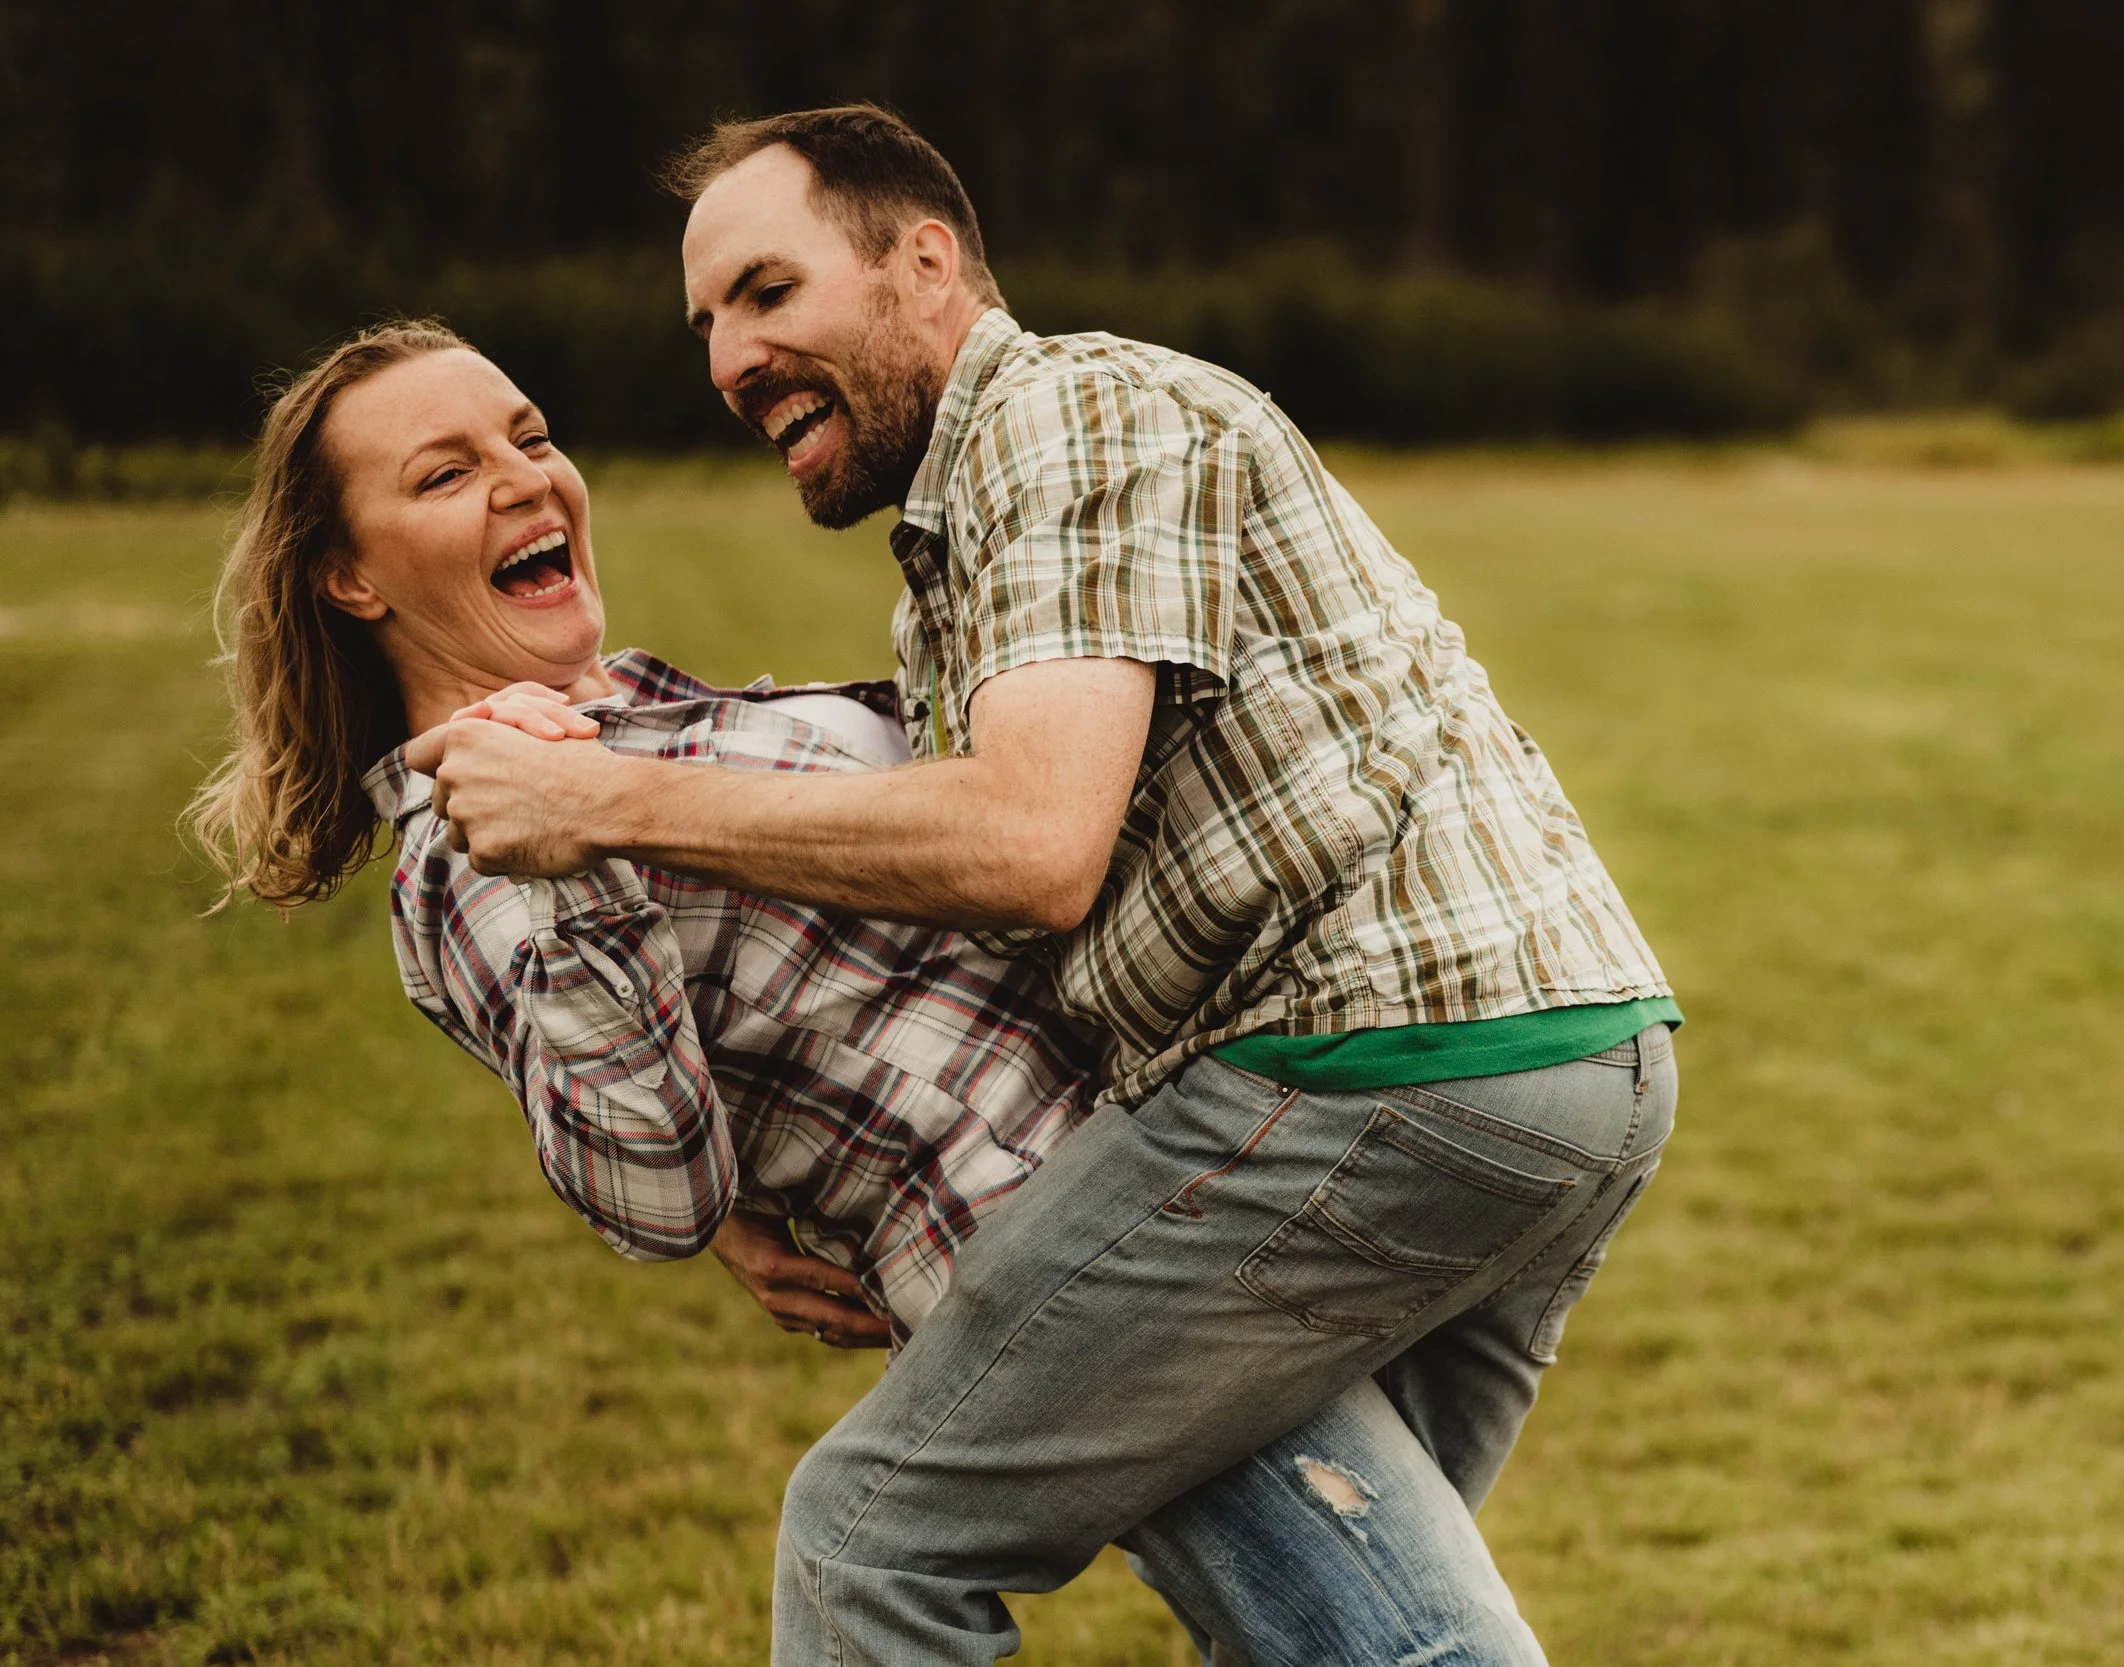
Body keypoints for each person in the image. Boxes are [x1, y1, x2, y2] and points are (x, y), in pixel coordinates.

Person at [412, 105, 1682, 1666]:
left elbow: (1028, 845)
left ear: (925, 260)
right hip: (1571, 1057)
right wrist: (735, 1182)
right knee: (1337, 1621)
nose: (730, 359)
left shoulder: (1056, 421)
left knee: (867, 1542)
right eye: (707, 324)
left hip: (1371, 1064)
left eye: (766, 290)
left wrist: (603, 800)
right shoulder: (985, 523)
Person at [185, 320, 1554, 1664]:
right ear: (349, 579)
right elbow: (650, 1185)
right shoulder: (473, 849)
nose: (524, 477)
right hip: (1090, 1260)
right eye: (442, 473)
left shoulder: (638, 721)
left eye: (529, 436)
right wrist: (578, 845)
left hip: (1231, 1162)